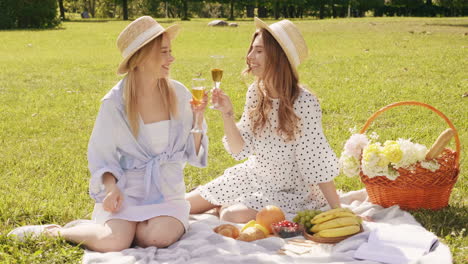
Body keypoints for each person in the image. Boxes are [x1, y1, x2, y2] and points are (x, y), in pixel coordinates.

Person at [8, 16, 208, 252]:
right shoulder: (115, 103)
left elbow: (193, 154)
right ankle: (56, 231)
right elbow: (102, 156)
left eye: (170, 51)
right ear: (142, 56)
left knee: (157, 238)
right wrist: (112, 189)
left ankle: (135, 228)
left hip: (168, 194)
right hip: (127, 193)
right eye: (164, 52)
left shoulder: (180, 94)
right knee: (114, 242)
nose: (171, 58)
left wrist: (199, 117)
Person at [186, 18, 340, 223]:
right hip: (252, 176)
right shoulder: (256, 92)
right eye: (252, 49)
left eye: (259, 51)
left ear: (279, 57)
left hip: (290, 190)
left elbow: (315, 161)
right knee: (185, 205)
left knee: (231, 214)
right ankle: (224, 202)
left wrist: (339, 210)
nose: (250, 57)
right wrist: (227, 114)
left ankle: (225, 205)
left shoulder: (304, 102)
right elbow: (240, 150)